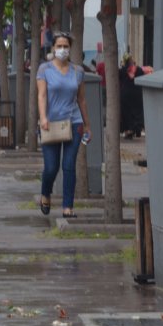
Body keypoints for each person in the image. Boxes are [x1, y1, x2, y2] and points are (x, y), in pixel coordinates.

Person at [37, 32, 91, 219]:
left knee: (68, 165)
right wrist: (43, 117)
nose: (62, 50)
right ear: (53, 48)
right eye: (59, 46)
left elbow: (82, 99)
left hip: (73, 122)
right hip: (50, 124)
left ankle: (68, 207)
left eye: (65, 46)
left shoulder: (78, 71)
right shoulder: (44, 69)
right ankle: (46, 192)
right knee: (51, 167)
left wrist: (87, 125)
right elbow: (42, 95)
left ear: (70, 48)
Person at [119, 54, 145, 139]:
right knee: (137, 112)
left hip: (125, 95)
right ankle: (137, 130)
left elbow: (118, 79)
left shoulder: (122, 70)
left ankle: (128, 131)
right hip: (137, 94)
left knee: (127, 113)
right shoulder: (139, 69)